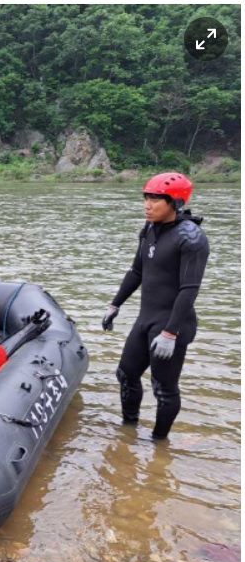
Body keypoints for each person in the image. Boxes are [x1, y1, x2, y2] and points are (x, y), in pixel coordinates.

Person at [102, 172, 210, 440]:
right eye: (146, 198)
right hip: (145, 319)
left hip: (172, 324)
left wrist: (170, 334)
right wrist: (115, 305)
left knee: (164, 389)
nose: (148, 205)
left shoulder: (192, 238)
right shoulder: (149, 229)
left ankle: (159, 443)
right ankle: (129, 430)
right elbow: (137, 271)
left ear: (175, 202)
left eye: (156, 200)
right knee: (126, 374)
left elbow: (189, 289)